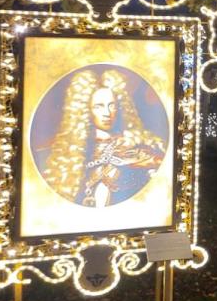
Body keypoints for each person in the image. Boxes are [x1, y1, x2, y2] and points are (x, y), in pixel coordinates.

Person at [41, 68, 167, 207]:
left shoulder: (138, 149)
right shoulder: (68, 155)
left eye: (112, 105)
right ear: (85, 109)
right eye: (99, 106)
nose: (107, 113)